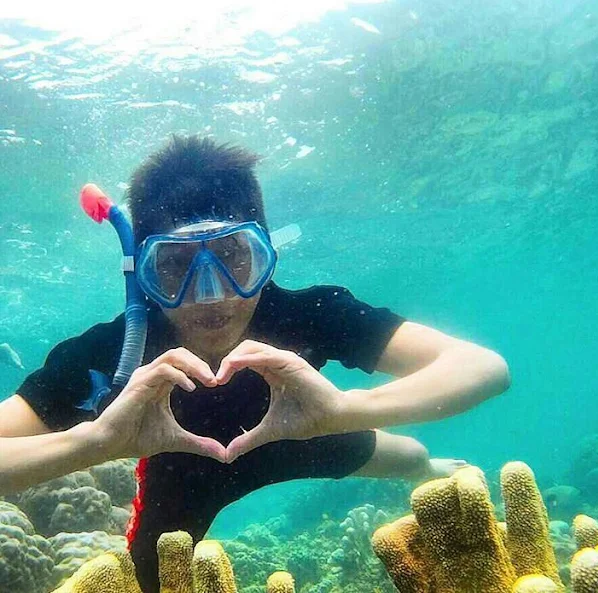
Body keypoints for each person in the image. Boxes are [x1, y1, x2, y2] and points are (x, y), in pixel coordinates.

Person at [0, 135, 510, 592]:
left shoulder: (310, 313)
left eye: (233, 256)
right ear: (143, 274)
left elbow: (482, 367)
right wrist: (90, 443)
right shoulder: (110, 350)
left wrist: (345, 411)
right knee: (150, 581)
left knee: (411, 459)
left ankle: (427, 467)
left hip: (309, 435)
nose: (210, 295)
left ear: (267, 252)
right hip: (183, 476)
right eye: (176, 266)